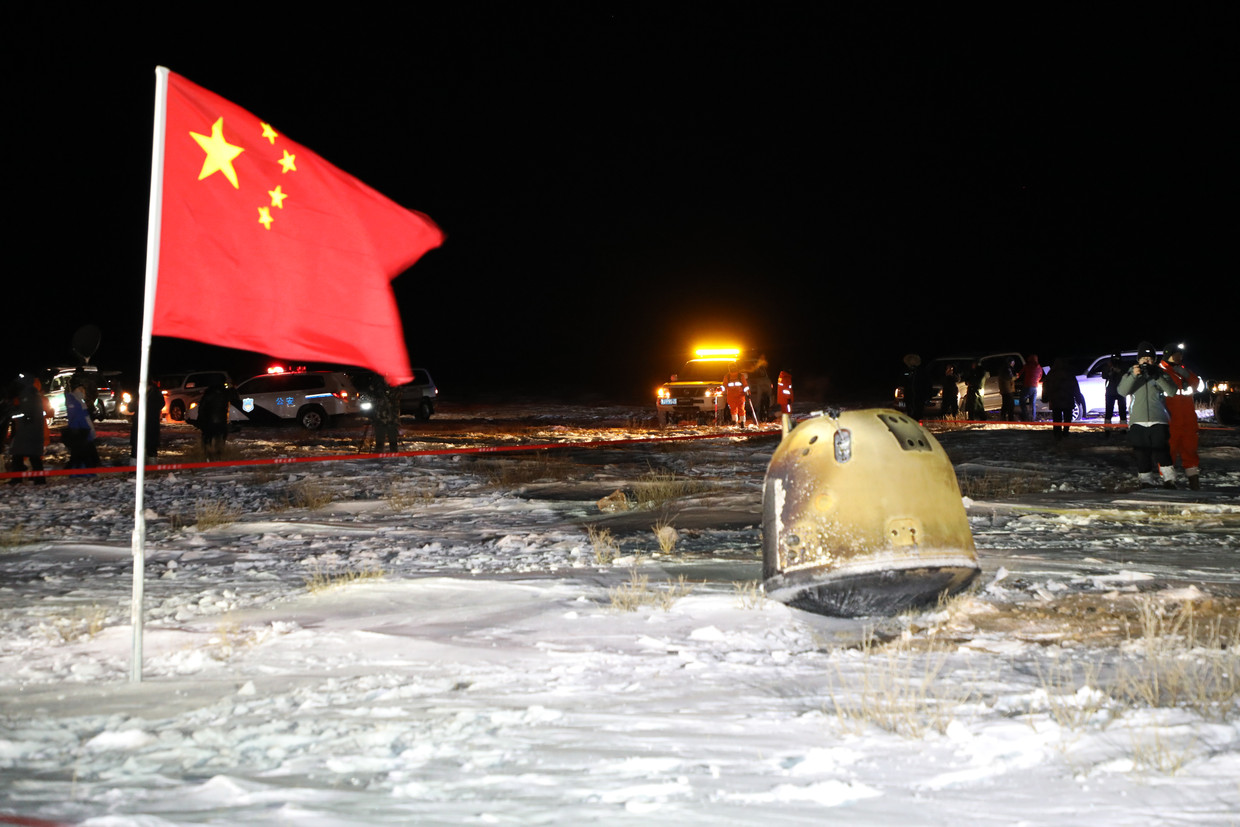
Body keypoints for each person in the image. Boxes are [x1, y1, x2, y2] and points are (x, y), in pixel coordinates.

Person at [1117, 342, 1178, 488]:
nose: (1146, 361)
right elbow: (1122, 391)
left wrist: (1157, 376)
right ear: (1138, 360)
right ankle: (1146, 481)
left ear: (1154, 360)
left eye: (1150, 358)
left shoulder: (1160, 373)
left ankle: (1169, 480)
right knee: (1141, 453)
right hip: (1138, 420)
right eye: (1143, 358)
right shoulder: (1132, 372)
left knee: (1162, 451)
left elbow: (1172, 391)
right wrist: (1133, 375)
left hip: (1159, 419)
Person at [1160, 342, 1202, 489]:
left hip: (1188, 419)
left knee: (1190, 449)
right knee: (1168, 451)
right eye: (1176, 354)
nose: (1179, 357)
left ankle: (1193, 480)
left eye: (1180, 354)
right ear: (1168, 355)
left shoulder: (1183, 370)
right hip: (1170, 419)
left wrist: (1186, 375)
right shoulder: (1161, 371)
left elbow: (1198, 385)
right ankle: (1168, 481)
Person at [7, 378, 51, 485]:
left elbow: (24, 414)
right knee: (31, 457)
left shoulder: (27, 396)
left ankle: (18, 479)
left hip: (27, 432)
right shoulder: (34, 395)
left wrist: (12, 413)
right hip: (31, 432)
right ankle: (38, 479)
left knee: (20, 456)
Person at [195, 380, 241, 461]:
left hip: (209, 421)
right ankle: (219, 455)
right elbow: (235, 397)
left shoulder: (208, 393)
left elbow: (201, 407)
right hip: (221, 421)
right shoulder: (225, 393)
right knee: (220, 438)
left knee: (207, 438)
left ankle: (207, 455)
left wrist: (200, 420)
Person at [63, 382, 100, 470]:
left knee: (79, 451)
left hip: (79, 428)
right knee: (82, 450)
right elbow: (81, 416)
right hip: (80, 429)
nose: (84, 392)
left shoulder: (76, 399)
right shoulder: (77, 400)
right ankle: (89, 465)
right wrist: (87, 429)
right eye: (82, 390)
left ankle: (86, 465)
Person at [1041, 357, 1081, 439]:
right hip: (1067, 398)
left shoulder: (1052, 373)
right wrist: (1078, 397)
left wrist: (1045, 397)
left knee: (1056, 417)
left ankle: (1057, 433)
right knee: (1068, 416)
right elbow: (1075, 386)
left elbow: (1046, 386)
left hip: (1055, 399)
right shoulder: (1069, 373)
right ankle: (1066, 432)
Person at [129, 381, 164, 464]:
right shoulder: (138, 393)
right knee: (136, 447)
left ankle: (152, 467)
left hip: (151, 424)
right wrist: (136, 403)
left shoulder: (156, 394)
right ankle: (134, 467)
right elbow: (130, 408)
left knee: (151, 447)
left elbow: (161, 404)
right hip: (139, 424)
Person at [1102, 354, 1128, 428]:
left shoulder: (1123, 365)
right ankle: (1107, 427)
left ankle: (1123, 427)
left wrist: (1118, 370)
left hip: (1121, 390)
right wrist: (1110, 370)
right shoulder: (1108, 365)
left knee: (1122, 410)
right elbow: (1104, 376)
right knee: (1109, 410)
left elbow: (1126, 375)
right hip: (1110, 391)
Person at [900, 355, 926, 420]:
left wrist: (926, 396)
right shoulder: (906, 371)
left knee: (918, 413)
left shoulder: (920, 371)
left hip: (919, 396)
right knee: (910, 413)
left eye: (913, 360)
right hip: (909, 396)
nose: (912, 362)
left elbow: (926, 383)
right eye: (910, 360)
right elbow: (902, 382)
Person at [1020, 354, 1043, 421]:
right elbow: (1040, 377)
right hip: (1035, 387)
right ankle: (1033, 418)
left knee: (1022, 401)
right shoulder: (1039, 367)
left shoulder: (1027, 366)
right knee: (1032, 403)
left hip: (1027, 386)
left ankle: (1025, 416)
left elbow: (1020, 374)